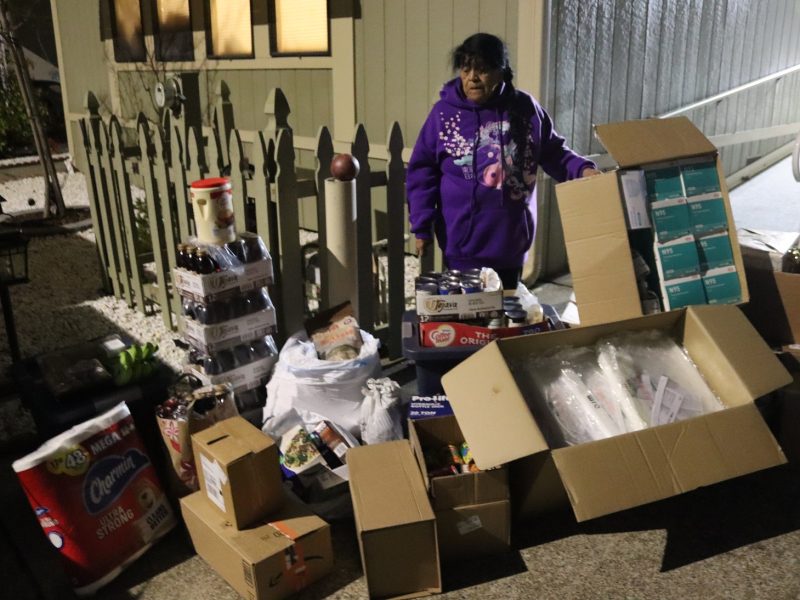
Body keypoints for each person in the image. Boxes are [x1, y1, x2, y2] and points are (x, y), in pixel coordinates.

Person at [406, 33, 600, 289]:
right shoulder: (443, 114)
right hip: (462, 243)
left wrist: (584, 170)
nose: (472, 77)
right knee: (470, 318)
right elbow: (422, 171)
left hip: (510, 241)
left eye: (483, 70)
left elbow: (553, 152)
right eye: (466, 69)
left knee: (506, 315)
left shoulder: (525, 108)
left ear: (502, 72)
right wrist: (421, 225)